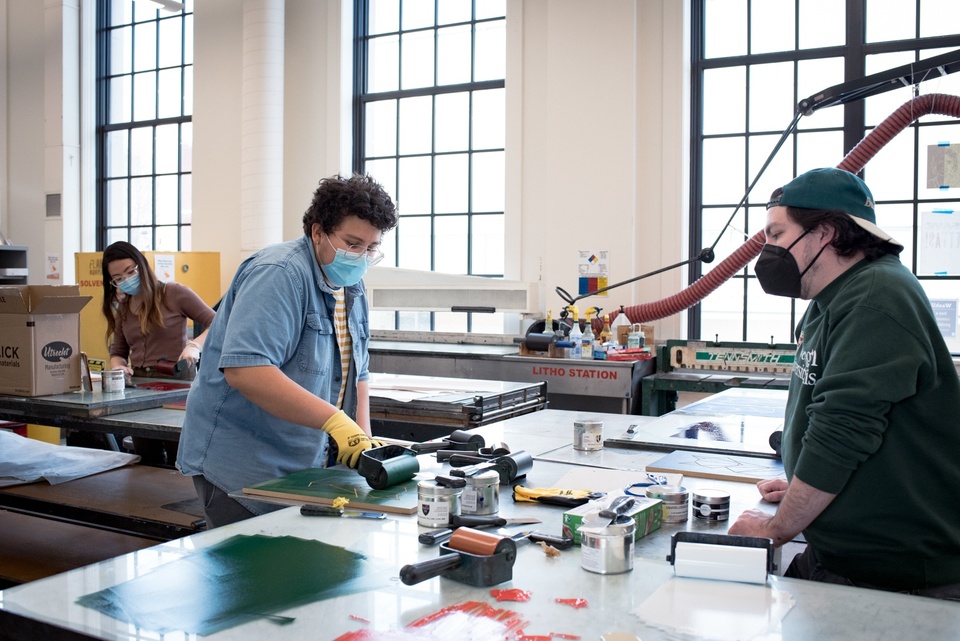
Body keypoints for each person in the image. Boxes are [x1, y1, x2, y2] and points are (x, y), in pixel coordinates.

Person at [728, 167, 960, 600]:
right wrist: (802, 484)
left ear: (826, 234)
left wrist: (776, 529)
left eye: (777, 235)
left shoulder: (876, 297)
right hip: (841, 552)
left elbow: (841, 431)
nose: (768, 250)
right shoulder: (831, 297)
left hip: (895, 575)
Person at [176, 173, 399, 527]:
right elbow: (246, 370)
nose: (362, 257)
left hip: (303, 462)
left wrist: (364, 441)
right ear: (317, 232)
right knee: (251, 573)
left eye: (371, 248)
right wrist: (334, 420)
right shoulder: (278, 274)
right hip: (244, 465)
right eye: (353, 244)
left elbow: (359, 373)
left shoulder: (352, 288)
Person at [102, 241, 216, 465]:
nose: (126, 280)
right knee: (146, 453)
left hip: (176, 382)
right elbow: (118, 351)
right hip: (140, 386)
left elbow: (217, 322)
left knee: (178, 453)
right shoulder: (124, 307)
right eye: (118, 278)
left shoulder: (173, 293)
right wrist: (117, 366)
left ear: (142, 266)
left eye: (130, 272)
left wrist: (194, 346)